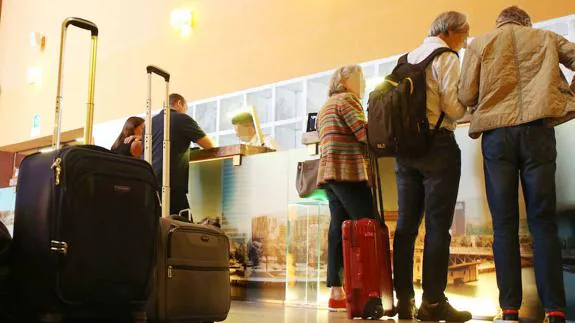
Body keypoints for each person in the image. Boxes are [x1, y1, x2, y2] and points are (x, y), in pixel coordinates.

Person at [459, 6, 575, 323]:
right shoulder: (545, 38)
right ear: (527, 22)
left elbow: (466, 92)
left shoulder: (480, 44)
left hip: (497, 137)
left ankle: (510, 310)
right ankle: (555, 310)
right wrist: (566, 99)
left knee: (504, 225)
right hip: (538, 133)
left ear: (499, 23)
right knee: (543, 223)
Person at [392, 11, 471, 322]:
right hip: (438, 146)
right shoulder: (446, 58)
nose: (464, 44)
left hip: (406, 151)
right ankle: (433, 304)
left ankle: (404, 301)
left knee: (405, 228)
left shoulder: (406, 58)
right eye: (464, 36)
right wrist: (469, 103)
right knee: (438, 227)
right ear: (451, 31)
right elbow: (452, 106)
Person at [316, 65, 376, 311]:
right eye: (359, 78)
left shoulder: (325, 105)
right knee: (368, 225)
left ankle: (336, 292)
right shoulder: (348, 100)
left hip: (329, 174)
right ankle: (370, 291)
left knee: (338, 230)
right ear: (344, 80)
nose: (362, 83)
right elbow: (364, 134)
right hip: (348, 171)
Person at [146, 93, 216, 215]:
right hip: (170, 183)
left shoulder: (150, 123)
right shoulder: (182, 119)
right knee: (180, 226)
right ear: (179, 103)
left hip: (150, 181)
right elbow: (209, 145)